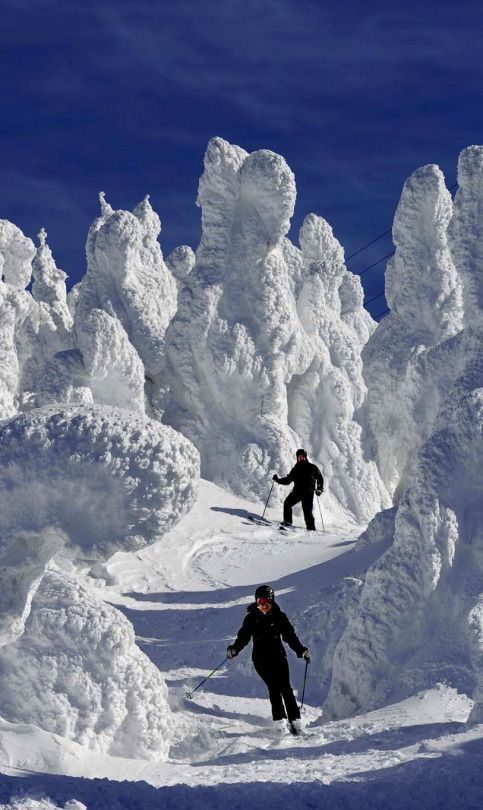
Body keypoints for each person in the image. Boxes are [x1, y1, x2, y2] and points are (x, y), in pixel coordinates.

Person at [226, 584, 311, 735]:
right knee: (274, 688)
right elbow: (243, 637)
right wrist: (234, 649)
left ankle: (295, 721)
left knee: (286, 688)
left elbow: (290, 636)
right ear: (256, 601)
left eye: (268, 602)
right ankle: (280, 722)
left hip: (279, 656)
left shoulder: (279, 616)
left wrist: (301, 650)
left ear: (273, 601)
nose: (265, 605)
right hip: (261, 659)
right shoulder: (252, 618)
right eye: (261, 602)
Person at [272, 448, 324, 531]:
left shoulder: (312, 467)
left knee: (307, 511)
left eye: (302, 457)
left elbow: (320, 478)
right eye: (299, 457)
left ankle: (311, 529)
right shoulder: (296, 468)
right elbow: (288, 480)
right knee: (287, 503)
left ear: (305, 457)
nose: (301, 458)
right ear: (297, 458)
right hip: (297, 491)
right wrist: (278, 480)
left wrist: (319, 489)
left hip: (308, 492)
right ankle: (287, 522)